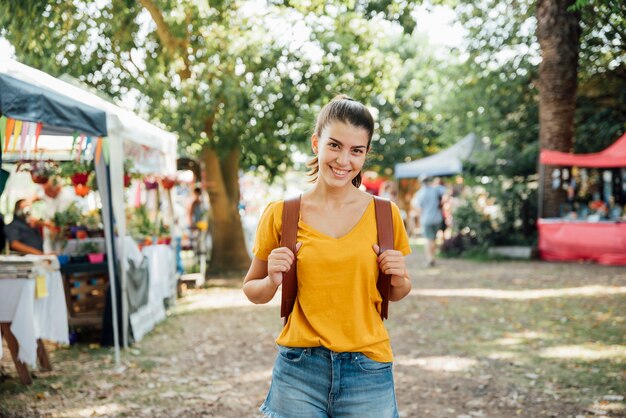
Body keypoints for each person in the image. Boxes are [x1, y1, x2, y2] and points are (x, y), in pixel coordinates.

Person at [243, 95, 412, 418]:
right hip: (299, 370)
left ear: (365, 154)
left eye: (356, 150)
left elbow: (396, 291)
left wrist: (400, 276)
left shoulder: (385, 215)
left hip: (368, 368)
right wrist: (272, 280)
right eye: (334, 145)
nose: (343, 160)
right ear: (316, 143)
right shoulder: (282, 214)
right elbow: (252, 290)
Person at [413, 174, 445, 267]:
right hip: (437, 218)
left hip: (426, 219)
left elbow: (418, 208)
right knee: (434, 239)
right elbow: (444, 193)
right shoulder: (435, 190)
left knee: (428, 239)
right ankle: (433, 257)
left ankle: (429, 258)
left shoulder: (420, 193)